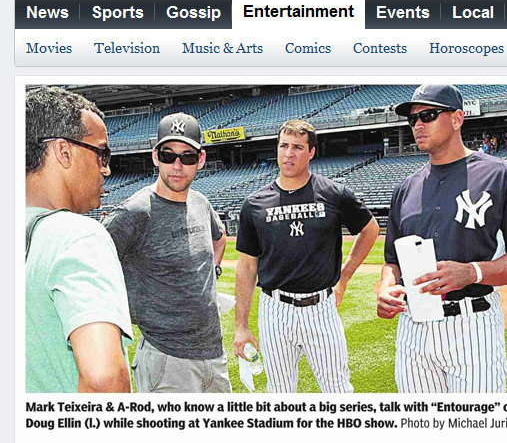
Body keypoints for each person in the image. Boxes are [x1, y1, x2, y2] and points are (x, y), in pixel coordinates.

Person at [377, 84, 507, 393]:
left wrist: (472, 272)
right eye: (412, 119)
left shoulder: (502, 176)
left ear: (457, 119)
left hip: (472, 326)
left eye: (428, 115)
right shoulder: (405, 188)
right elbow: (392, 259)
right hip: (413, 328)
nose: (418, 125)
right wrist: (387, 287)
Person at [234, 119, 380, 393]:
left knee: (337, 390)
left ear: (311, 152)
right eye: (284, 146)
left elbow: (370, 230)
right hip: (275, 309)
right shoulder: (255, 204)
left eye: (298, 147)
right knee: (280, 392)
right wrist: (241, 326)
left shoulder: (333, 194)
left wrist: (344, 277)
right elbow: (246, 267)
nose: (289, 153)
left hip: (320, 306)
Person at [104, 112, 230, 393]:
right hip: (166, 359)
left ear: (200, 159)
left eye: (187, 157)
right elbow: (91, 262)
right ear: (154, 156)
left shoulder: (201, 202)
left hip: (214, 354)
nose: (177, 165)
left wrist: (214, 272)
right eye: (168, 155)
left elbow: (219, 238)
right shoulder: (135, 212)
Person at [26, 87, 132, 393]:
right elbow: (104, 379)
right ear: (64, 152)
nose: (107, 169)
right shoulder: (77, 235)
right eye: (101, 153)